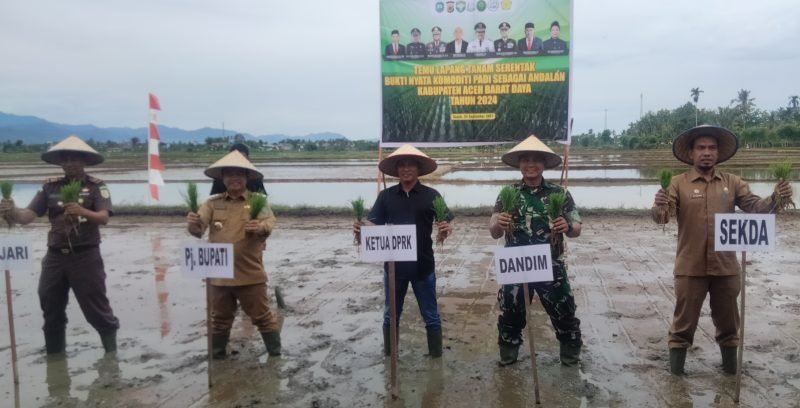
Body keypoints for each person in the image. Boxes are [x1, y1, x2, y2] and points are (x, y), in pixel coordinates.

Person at [652, 125, 793, 375]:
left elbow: (756, 208)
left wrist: (775, 198)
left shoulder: (733, 182)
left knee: (729, 324)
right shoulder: (677, 184)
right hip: (690, 267)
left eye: (712, 148)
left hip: (726, 267)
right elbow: (662, 217)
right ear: (692, 153)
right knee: (683, 325)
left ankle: (730, 372)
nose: (706, 152)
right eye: (701, 148)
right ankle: (676, 376)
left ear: (718, 153)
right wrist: (659, 206)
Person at [0, 135, 119, 354]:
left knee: (96, 309)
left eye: (75, 159)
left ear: (84, 161)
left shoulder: (96, 187)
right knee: (49, 303)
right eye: (66, 160)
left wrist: (82, 211)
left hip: (85, 255)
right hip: (55, 256)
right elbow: (27, 216)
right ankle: (56, 359)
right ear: (60, 163)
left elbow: (103, 217)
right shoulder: (50, 187)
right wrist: (12, 210)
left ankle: (111, 355)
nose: (70, 164)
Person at [488, 135, 583, 366]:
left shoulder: (559, 193)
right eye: (525, 159)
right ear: (519, 164)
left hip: (551, 265)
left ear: (544, 164)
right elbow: (494, 231)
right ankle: (508, 356)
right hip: (516, 264)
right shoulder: (508, 193)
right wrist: (499, 222)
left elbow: (576, 228)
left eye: (536, 159)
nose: (531, 164)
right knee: (511, 313)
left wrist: (567, 226)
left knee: (564, 312)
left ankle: (570, 358)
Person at [353, 145, 454, 358]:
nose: (406, 169)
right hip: (393, 268)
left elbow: (445, 222)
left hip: (423, 266)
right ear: (397, 170)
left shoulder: (431, 195)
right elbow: (374, 226)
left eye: (411, 165)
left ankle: (435, 356)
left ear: (418, 169)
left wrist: (446, 229)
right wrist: (362, 228)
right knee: (391, 315)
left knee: (431, 315)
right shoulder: (386, 197)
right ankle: (391, 356)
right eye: (402, 165)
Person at [186, 150, 281, 359]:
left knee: (262, 316)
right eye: (229, 174)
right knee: (219, 319)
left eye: (239, 173)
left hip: (250, 273)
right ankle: (218, 355)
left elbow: (269, 223)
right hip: (220, 276)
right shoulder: (213, 203)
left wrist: (260, 228)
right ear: (223, 178)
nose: (234, 178)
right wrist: (192, 224)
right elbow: (198, 230)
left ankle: (275, 354)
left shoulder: (258, 201)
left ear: (246, 177)